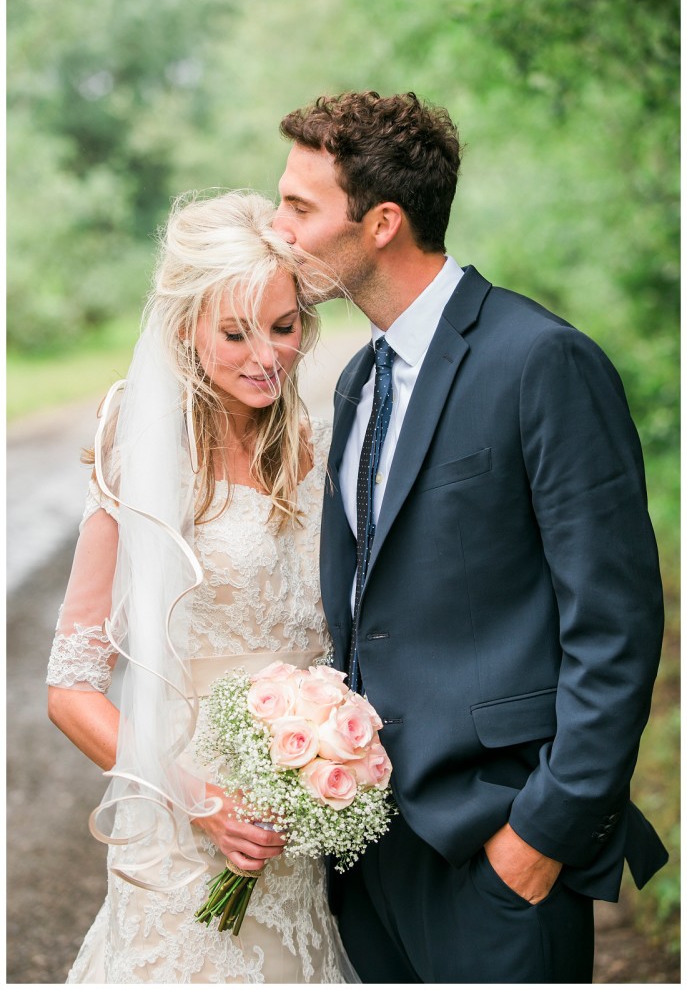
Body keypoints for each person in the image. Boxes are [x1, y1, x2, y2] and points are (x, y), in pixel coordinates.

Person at [273, 90, 668, 983]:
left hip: (496, 846)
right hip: (367, 850)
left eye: (300, 206)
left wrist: (541, 835)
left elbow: (614, 626)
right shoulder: (357, 383)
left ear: (380, 222)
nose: (278, 227)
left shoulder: (541, 361)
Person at [46, 190, 354, 983]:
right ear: (186, 328)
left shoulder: (309, 451)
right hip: (184, 833)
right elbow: (72, 689)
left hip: (294, 831)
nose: (267, 356)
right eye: (235, 332)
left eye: (284, 327)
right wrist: (198, 799)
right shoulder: (141, 451)